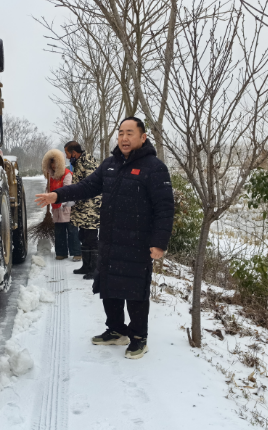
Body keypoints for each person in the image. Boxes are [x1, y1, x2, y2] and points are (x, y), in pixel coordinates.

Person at [35, 117, 174, 359]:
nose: (124, 138)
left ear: (143, 137)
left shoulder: (154, 168)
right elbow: (86, 187)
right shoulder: (110, 165)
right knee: (109, 288)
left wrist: (159, 242)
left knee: (135, 292)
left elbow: (165, 208)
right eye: (121, 133)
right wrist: (56, 195)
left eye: (130, 133)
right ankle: (116, 330)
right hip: (109, 240)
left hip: (137, 243)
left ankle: (139, 338)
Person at [63, 141, 102, 274]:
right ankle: (86, 266)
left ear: (74, 152)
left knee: (91, 238)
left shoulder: (88, 163)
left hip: (91, 208)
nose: (66, 156)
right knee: (84, 236)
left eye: (67, 153)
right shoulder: (78, 163)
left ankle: (94, 269)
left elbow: (91, 187)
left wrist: (74, 198)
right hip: (82, 208)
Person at [42, 149, 81, 260]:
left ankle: (77, 252)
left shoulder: (67, 174)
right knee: (59, 231)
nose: (53, 166)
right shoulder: (51, 176)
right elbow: (48, 189)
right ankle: (61, 252)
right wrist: (47, 198)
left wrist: (61, 202)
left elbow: (67, 190)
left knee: (72, 231)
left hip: (66, 206)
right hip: (56, 207)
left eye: (55, 163)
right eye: (51, 163)